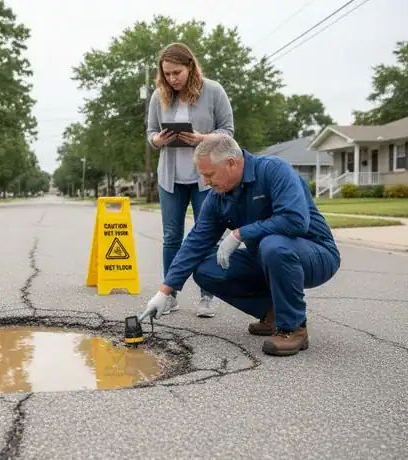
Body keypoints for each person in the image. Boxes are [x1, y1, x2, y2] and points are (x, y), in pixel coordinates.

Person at [140, 133, 341, 357]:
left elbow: (295, 221)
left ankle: (293, 328)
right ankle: (273, 313)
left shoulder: (274, 171)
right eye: (203, 176)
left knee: (273, 245)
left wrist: (240, 234)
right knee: (206, 269)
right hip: (266, 258)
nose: (205, 182)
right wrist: (164, 292)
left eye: (209, 174)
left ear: (231, 163)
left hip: (314, 254)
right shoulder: (218, 195)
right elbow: (195, 243)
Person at [146, 42, 235, 319]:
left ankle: (207, 296)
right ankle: (169, 295)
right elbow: (150, 133)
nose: (172, 79)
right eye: (167, 74)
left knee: (206, 234)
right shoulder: (158, 97)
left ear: (190, 67)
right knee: (172, 237)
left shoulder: (214, 91)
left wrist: (202, 139)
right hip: (170, 178)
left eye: (177, 73)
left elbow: (228, 131)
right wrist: (157, 140)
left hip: (204, 178)